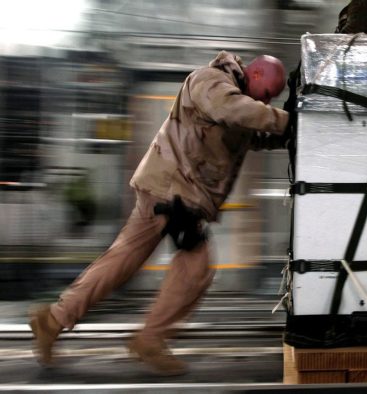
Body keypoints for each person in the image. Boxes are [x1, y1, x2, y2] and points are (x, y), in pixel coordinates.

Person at [28, 51, 290, 376]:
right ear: (256, 75)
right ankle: (150, 339)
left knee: (121, 260)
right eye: (267, 94)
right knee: (195, 270)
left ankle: (53, 320)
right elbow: (235, 111)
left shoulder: (237, 100)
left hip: (167, 188)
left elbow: (251, 133)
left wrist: (287, 135)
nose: (266, 100)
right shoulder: (211, 81)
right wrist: (286, 119)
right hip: (175, 192)